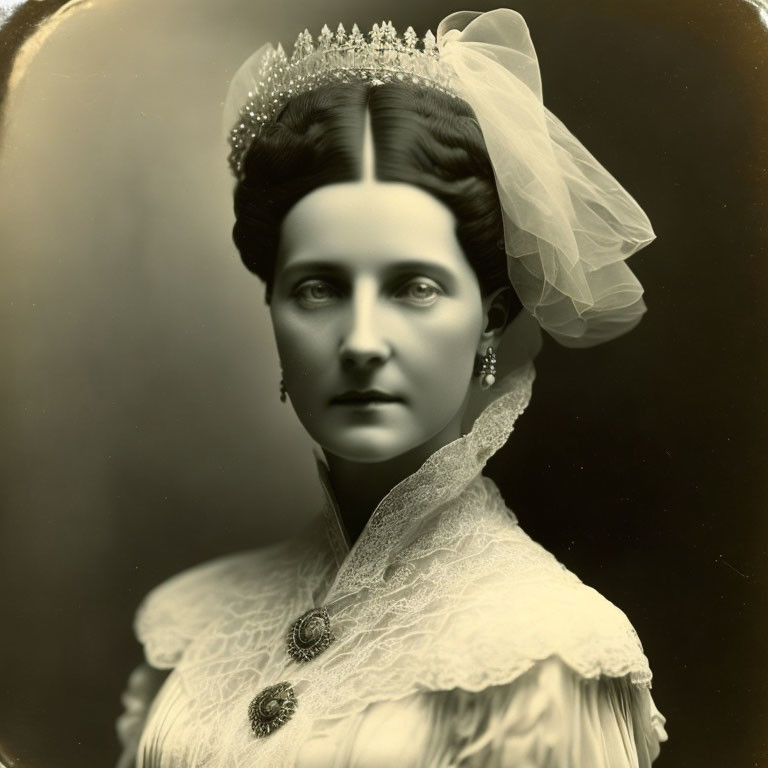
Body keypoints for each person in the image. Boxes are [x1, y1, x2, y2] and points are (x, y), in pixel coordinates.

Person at [115, 9, 668, 767]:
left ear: (490, 323)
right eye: (318, 289)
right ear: (272, 309)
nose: (362, 341)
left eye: (413, 286)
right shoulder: (193, 616)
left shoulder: (551, 652)